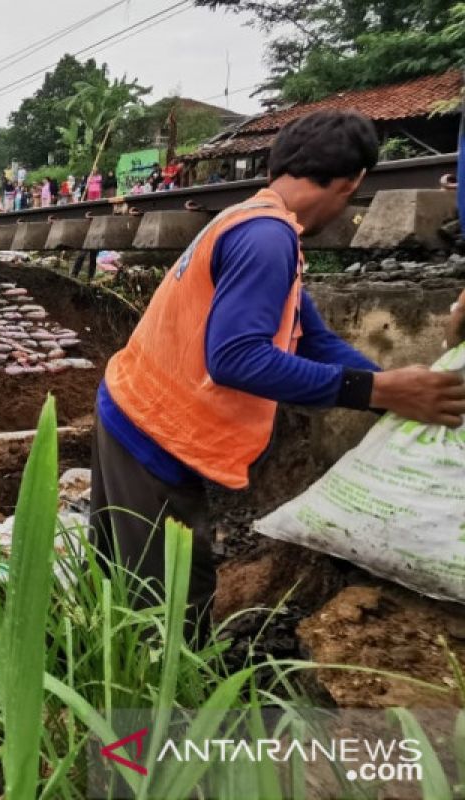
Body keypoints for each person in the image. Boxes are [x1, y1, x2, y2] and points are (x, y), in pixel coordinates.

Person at [90, 109, 465, 640]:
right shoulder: (268, 239)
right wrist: (375, 388)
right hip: (152, 436)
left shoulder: (252, 221)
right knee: (171, 611)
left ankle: (102, 691)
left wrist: (393, 394)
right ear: (350, 181)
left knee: (125, 585)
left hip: (132, 410)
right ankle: (158, 718)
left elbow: (314, 338)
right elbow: (236, 358)